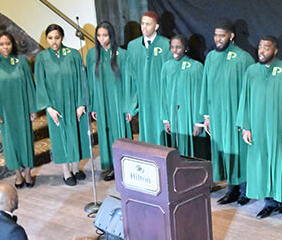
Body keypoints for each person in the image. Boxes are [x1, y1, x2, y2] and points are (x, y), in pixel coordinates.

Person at [237, 35, 282, 218]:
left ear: (275, 50)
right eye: (260, 47)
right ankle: (269, 202)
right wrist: (246, 126)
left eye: (266, 47)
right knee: (262, 164)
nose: (261, 51)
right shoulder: (252, 71)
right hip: (258, 127)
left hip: (280, 128)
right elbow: (245, 99)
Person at [199, 19, 254, 206]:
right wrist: (206, 116)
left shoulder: (243, 58)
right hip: (217, 115)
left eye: (222, 35)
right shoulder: (211, 57)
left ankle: (245, 191)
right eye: (215, 35)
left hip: (235, 116)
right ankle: (232, 190)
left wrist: (246, 120)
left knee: (239, 153)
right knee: (225, 152)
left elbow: (250, 92)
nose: (217, 39)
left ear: (232, 36)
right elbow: (205, 86)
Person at [34, 24, 90, 186]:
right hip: (55, 105)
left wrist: (81, 104)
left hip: (73, 101)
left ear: (62, 38)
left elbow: (82, 79)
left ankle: (76, 168)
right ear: (46, 39)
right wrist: (48, 107)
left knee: (76, 135)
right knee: (61, 137)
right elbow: (41, 84)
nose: (54, 42)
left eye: (57, 38)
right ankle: (66, 172)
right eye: (50, 38)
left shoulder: (73, 54)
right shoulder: (42, 58)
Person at [0, 31, 37, 188]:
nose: (5, 47)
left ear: (12, 44)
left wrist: (32, 108)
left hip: (22, 107)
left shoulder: (21, 61)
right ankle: (17, 174)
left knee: (26, 140)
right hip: (5, 111)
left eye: (8, 43)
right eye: (1, 44)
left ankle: (28, 173)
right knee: (11, 143)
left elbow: (29, 85)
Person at [86, 21, 131, 181]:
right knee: (105, 134)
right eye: (98, 35)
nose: (101, 39)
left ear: (111, 35)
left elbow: (128, 81)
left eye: (105, 35)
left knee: (120, 134)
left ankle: (124, 168)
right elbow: (90, 82)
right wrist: (93, 106)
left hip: (118, 102)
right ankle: (111, 167)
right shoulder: (92, 54)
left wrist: (129, 107)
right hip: (101, 102)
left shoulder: (122, 54)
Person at [127, 11, 172, 146]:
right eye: (142, 23)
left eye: (148, 24)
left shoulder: (166, 45)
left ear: (156, 26)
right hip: (144, 99)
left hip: (160, 99)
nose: (144, 27)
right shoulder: (133, 46)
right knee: (146, 137)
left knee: (162, 137)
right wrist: (131, 104)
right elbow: (131, 76)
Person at [160, 35, 204, 157]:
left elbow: (200, 95)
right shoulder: (166, 67)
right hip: (174, 117)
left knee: (194, 151)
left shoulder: (196, 67)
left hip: (189, 117)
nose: (175, 50)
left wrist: (198, 122)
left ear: (185, 48)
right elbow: (163, 94)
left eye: (178, 47)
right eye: (172, 47)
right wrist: (166, 119)